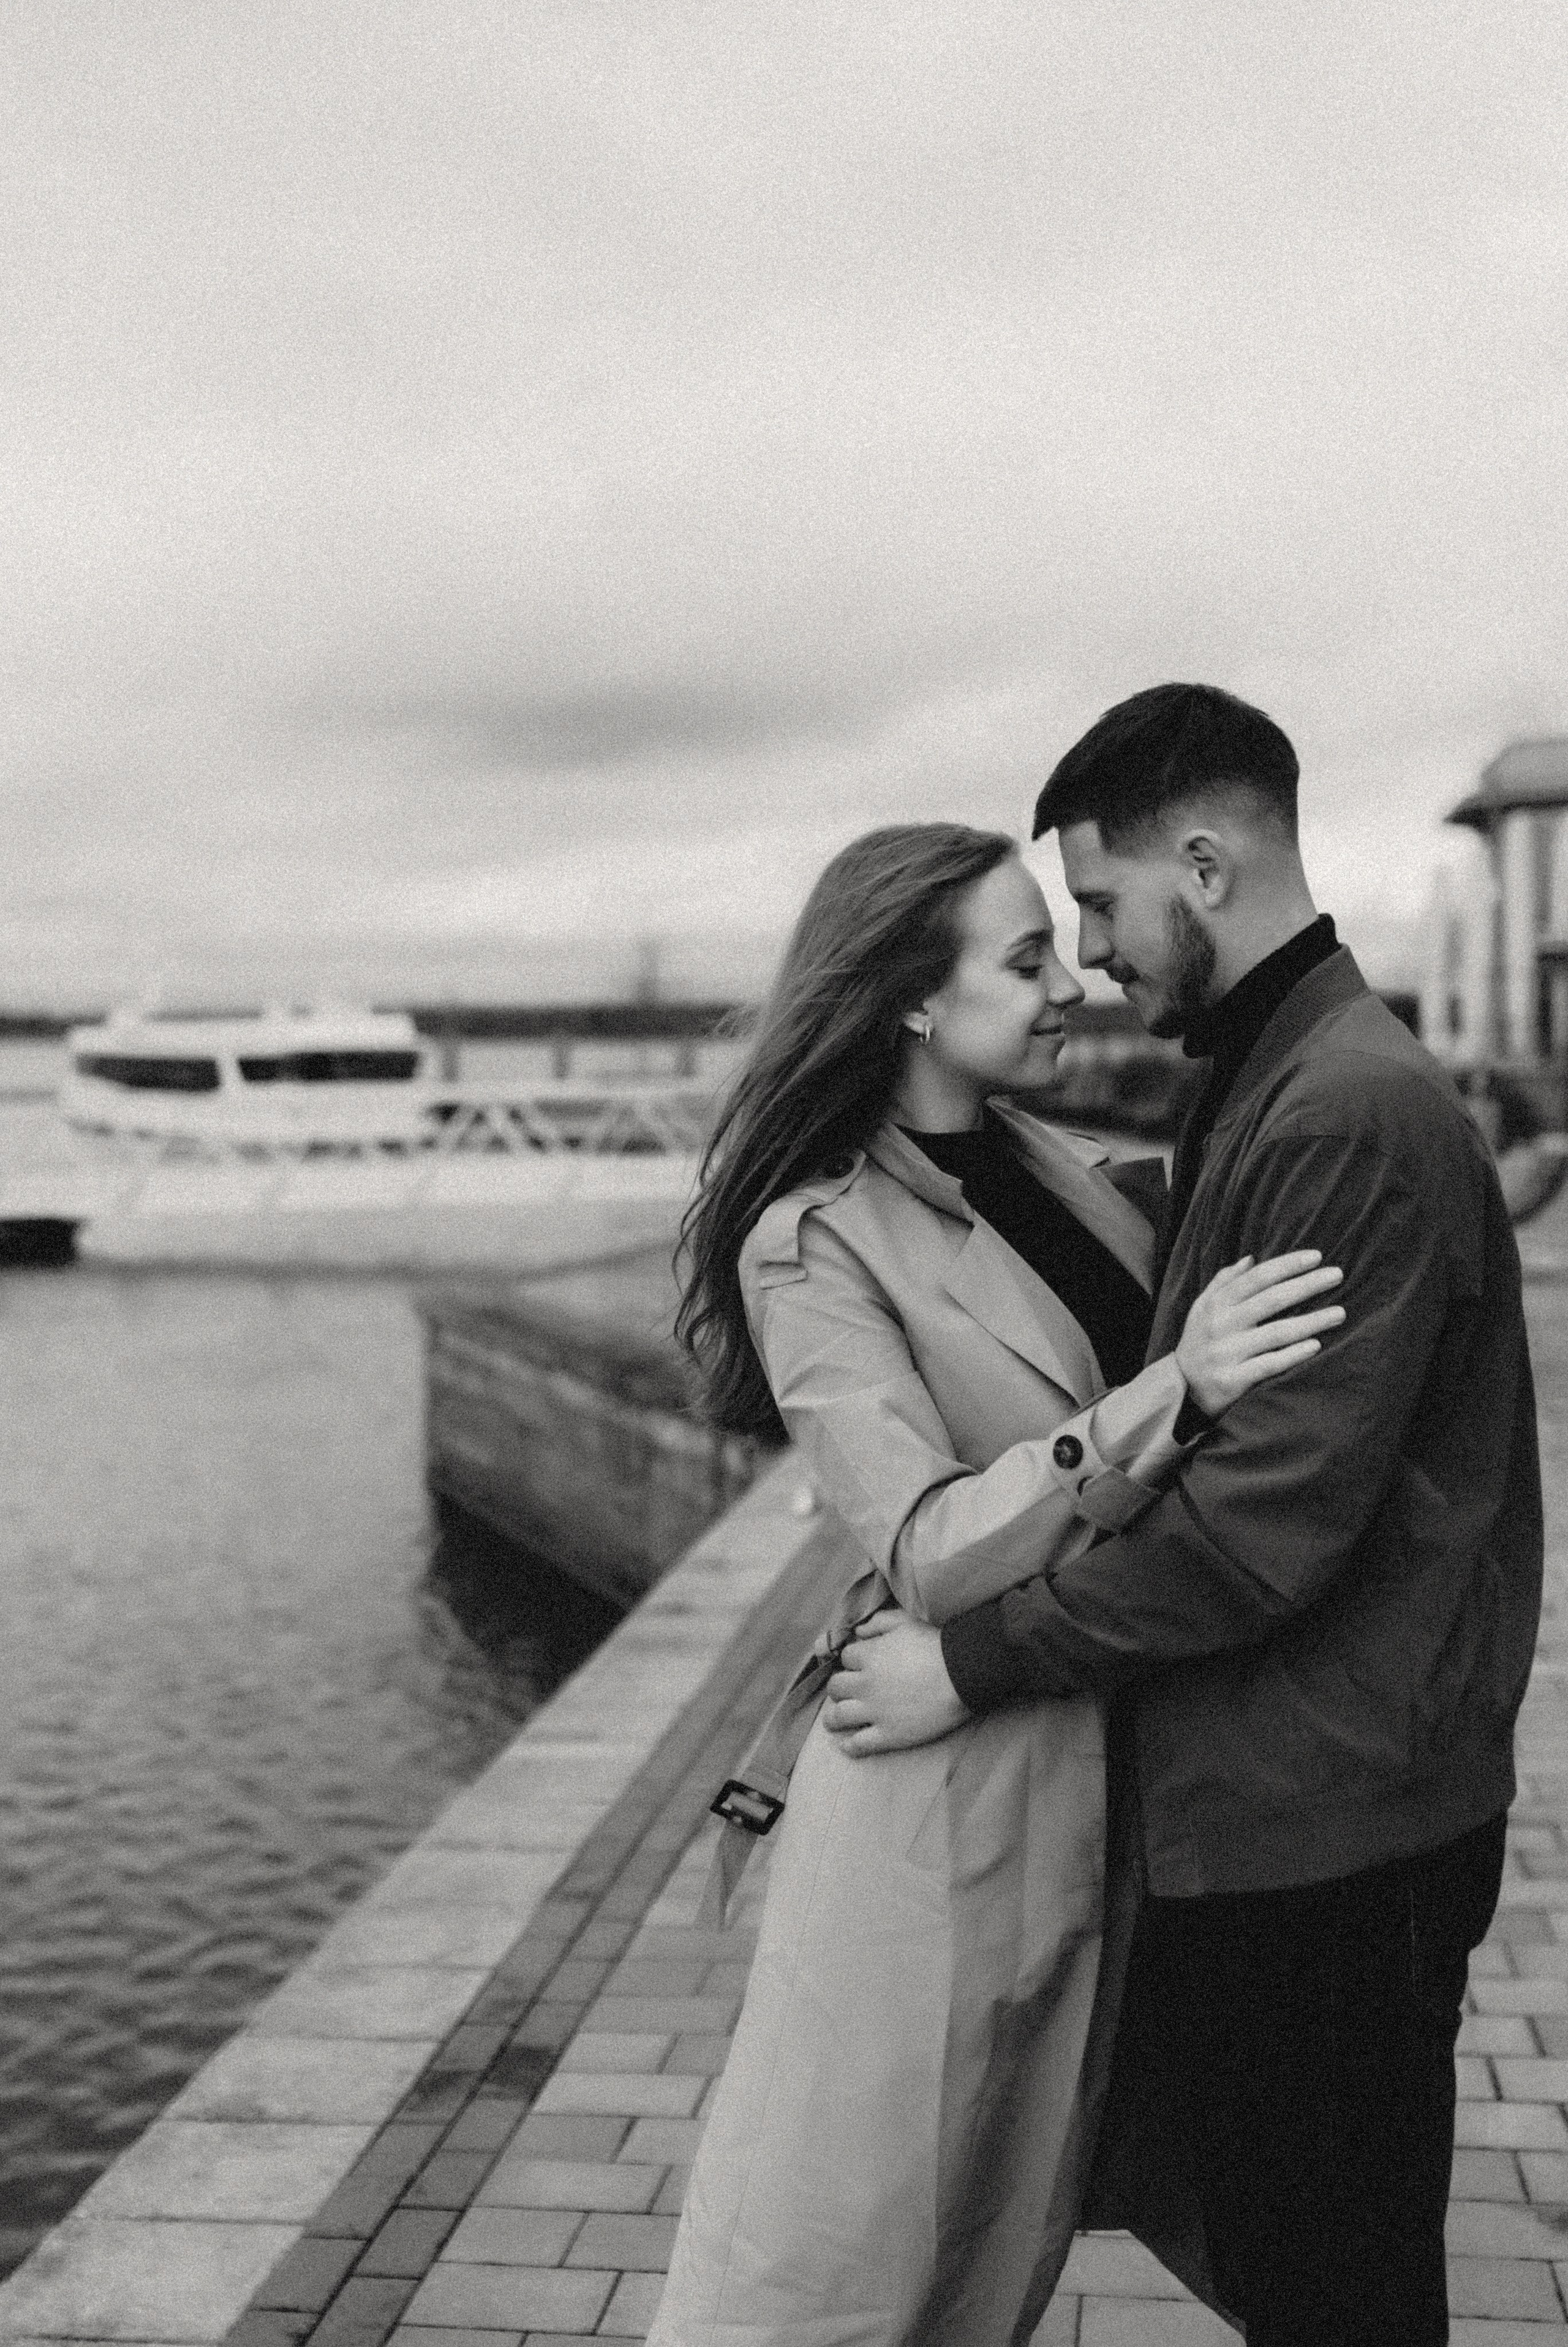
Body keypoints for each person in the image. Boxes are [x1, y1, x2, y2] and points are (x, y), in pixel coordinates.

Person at [823, 685, 1545, 2347]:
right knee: (1310, 2270)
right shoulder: (1278, 1072)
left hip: (1331, 1823)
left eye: (1099, 903)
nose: (1091, 955)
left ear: (1204, 864)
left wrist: (976, 1659)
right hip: (1307, 1797)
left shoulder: (1340, 1109)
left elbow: (1251, 1537)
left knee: (1338, 2296)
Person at [646, 820, 1344, 2347]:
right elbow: (922, 1542)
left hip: (1086, 1765)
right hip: (935, 1804)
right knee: (835, 2265)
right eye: (1025, 958)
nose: (1066, 986)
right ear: (910, 992)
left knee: (991, 2257)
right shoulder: (808, 1239)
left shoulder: (1063, 1172)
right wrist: (1175, 1389)